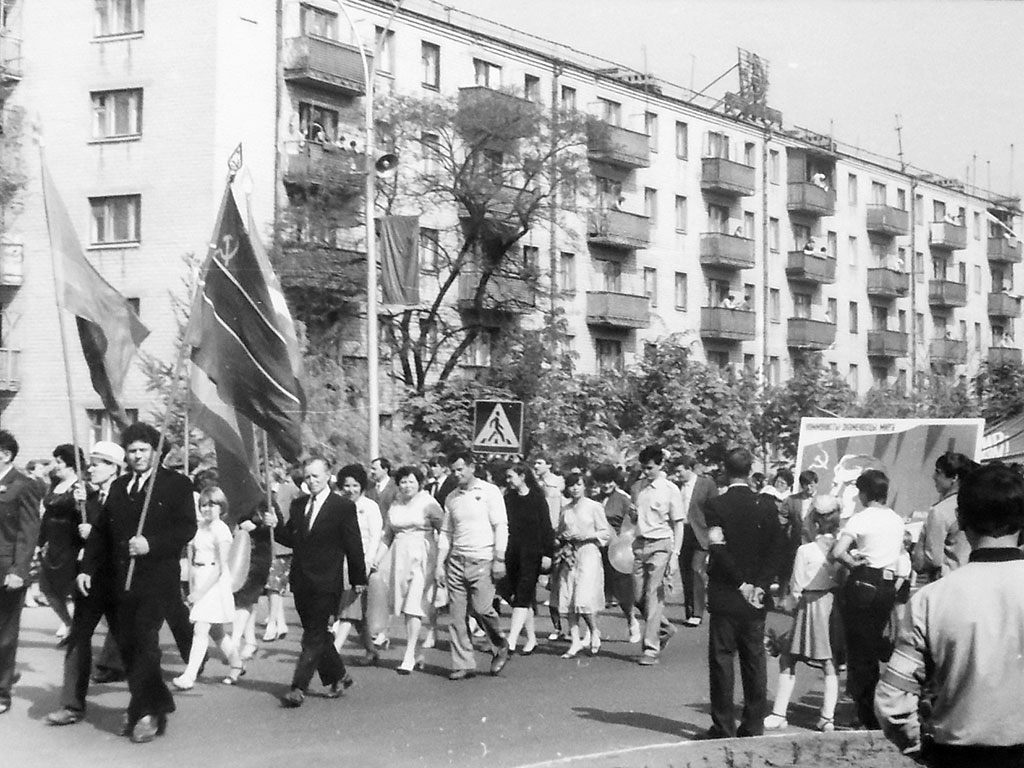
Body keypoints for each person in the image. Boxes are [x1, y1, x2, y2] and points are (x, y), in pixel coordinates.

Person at [876, 463, 1024, 767]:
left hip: (956, 754)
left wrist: (919, 747)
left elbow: (892, 701)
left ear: (959, 518)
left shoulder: (930, 599)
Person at [79, 423, 197, 743]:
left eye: (144, 450)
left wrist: (152, 544)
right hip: (121, 580)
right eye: (132, 451)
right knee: (128, 647)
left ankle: (146, 714)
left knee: (145, 643)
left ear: (157, 452)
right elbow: (102, 533)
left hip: (158, 580)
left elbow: (187, 528)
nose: (138, 456)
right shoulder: (119, 487)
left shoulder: (177, 484)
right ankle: (151, 704)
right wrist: (87, 568)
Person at [703, 447, 784, 739]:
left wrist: (740, 583)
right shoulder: (766, 505)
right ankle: (752, 724)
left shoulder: (716, 505)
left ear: (725, 470)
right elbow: (777, 549)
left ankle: (722, 725)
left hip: (727, 592)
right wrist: (760, 584)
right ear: (751, 471)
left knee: (722, 659)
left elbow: (718, 548)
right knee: (754, 659)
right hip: (756, 596)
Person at [275, 458, 366, 708]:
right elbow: (292, 538)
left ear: (328, 476)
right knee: (316, 633)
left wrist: (359, 578)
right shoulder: (299, 505)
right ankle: (339, 676)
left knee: (313, 635)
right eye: (307, 477)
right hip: (302, 579)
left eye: (316, 476)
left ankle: (298, 687)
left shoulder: (342, 507)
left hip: (327, 581)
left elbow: (353, 544)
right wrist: (274, 527)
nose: (311, 481)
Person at [45, 441, 126, 726]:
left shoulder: (127, 492)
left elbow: (127, 536)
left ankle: (148, 702)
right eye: (90, 462)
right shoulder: (87, 496)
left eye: (97, 463)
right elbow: (78, 535)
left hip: (119, 580)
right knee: (79, 639)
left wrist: (96, 531)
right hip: (89, 579)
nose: (90, 468)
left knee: (132, 645)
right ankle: (71, 705)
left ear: (114, 468)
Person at [828, 468, 904, 729]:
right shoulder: (896, 519)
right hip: (887, 586)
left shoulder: (860, 519)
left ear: (864, 493)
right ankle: (874, 708)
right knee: (873, 647)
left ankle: (866, 713)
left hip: (863, 582)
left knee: (859, 653)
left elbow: (838, 551)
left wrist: (851, 561)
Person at [763, 503, 842, 733]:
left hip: (809, 604)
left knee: (788, 657)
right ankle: (827, 718)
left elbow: (796, 587)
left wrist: (790, 604)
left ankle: (779, 713)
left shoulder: (805, 550)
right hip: (831, 604)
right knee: (829, 661)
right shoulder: (841, 549)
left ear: (816, 524)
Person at [436, 451, 510, 681]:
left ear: (471, 467)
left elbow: (501, 525)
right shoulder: (452, 498)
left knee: (481, 609)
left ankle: (500, 644)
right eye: (453, 470)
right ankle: (463, 663)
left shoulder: (489, 492)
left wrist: (499, 558)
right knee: (457, 617)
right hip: (457, 560)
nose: (457, 474)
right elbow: (446, 532)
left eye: (460, 469)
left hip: (483, 559)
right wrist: (440, 564)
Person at [369, 465, 442, 675]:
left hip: (423, 556)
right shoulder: (395, 504)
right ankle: (417, 651)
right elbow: (387, 535)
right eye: (403, 482)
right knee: (400, 603)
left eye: (411, 481)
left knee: (414, 606)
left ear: (419, 483)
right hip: (399, 557)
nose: (407, 485)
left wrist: (441, 560)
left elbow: (444, 529)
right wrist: (377, 558)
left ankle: (409, 654)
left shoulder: (428, 503)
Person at [173, 487, 243, 689]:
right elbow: (192, 554)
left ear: (221, 507)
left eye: (212, 505)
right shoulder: (200, 527)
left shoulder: (221, 529)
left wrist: (200, 592)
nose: (207, 509)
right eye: (203, 505)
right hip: (199, 575)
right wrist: (193, 586)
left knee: (201, 628)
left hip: (214, 581)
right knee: (216, 632)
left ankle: (189, 675)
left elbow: (222, 565)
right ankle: (236, 663)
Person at [0, 430, 43, 715]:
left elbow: (28, 532)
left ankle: (2, 691)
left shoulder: (23, 484)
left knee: (4, 633)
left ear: (5, 454)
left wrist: (19, 570)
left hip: (6, 570)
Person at [630, 445, 685, 666]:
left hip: (661, 545)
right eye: (643, 468)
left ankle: (650, 649)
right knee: (637, 597)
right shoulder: (637, 488)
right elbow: (635, 520)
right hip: (639, 545)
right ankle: (665, 628)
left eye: (650, 468)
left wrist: (675, 554)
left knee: (653, 596)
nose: (646, 472)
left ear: (661, 465)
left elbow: (678, 524)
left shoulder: (670, 489)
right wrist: (633, 516)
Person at [556, 472, 611, 658]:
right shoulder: (566, 509)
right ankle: (574, 641)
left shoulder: (594, 507)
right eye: (571, 485)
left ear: (584, 486)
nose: (575, 488)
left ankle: (594, 630)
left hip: (589, 552)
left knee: (584, 598)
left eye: (578, 484)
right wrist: (563, 538)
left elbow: (605, 532)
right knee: (569, 597)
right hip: (571, 554)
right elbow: (560, 531)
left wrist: (588, 536)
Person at [332, 464, 384, 665]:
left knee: (349, 607)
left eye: (355, 485)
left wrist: (367, 563)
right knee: (356, 610)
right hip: (339, 563)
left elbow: (374, 537)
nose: (351, 490)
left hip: (361, 564)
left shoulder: (370, 507)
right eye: (347, 485)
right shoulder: (337, 505)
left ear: (362, 486)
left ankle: (334, 651)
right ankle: (371, 650)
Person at [501, 462, 553, 655]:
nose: (508, 481)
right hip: (512, 551)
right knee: (519, 595)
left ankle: (512, 640)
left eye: (511, 476)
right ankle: (531, 638)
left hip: (532, 552)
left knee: (523, 592)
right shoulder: (508, 498)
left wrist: (548, 553)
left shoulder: (538, 499)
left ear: (522, 476)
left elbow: (546, 527)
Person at [37, 444, 85, 645]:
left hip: (71, 543)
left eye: (59, 462)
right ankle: (68, 622)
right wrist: (40, 542)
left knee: (71, 589)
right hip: (53, 543)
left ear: (71, 465)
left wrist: (78, 502)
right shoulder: (55, 484)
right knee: (47, 588)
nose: (55, 466)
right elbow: (47, 515)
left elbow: (84, 516)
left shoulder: (81, 487)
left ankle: (78, 632)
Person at [591, 463, 640, 642]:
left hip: (617, 550)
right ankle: (592, 630)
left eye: (609, 481)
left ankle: (631, 620)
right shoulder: (593, 498)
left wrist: (634, 516)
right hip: (597, 548)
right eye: (602, 482)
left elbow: (633, 522)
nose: (606, 485)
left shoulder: (623, 499)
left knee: (622, 589)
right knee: (594, 588)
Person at [912, 452, 977, 580]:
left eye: (938, 472)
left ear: (954, 477)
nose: (934, 477)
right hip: (970, 577)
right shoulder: (973, 504)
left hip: (946, 580)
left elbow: (934, 559)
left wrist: (917, 553)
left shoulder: (940, 510)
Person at [230, 496, 275, 663]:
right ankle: (250, 641)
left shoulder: (266, 500)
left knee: (245, 598)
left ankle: (234, 642)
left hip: (259, 556)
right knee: (246, 599)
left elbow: (276, 528)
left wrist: (260, 525)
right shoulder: (238, 498)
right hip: (239, 554)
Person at [675, 457, 718, 628]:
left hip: (701, 532)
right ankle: (689, 610)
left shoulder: (706, 484)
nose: (677, 475)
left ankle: (698, 612)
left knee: (696, 569)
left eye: (680, 471)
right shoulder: (676, 487)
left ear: (690, 469)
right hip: (682, 533)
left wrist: (714, 533)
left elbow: (715, 508)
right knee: (685, 573)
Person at [262, 468, 299, 643]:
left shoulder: (290, 490)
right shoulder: (262, 492)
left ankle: (273, 622)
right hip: (268, 544)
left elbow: (298, 512)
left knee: (274, 584)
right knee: (273, 584)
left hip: (285, 545)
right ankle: (280, 622)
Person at [532, 456, 565, 641]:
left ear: (549, 464)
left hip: (553, 535)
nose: (536, 465)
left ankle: (560, 627)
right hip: (536, 534)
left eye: (540, 462)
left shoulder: (557, 484)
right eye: (535, 463)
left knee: (556, 583)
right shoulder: (534, 484)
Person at [778, 470, 817, 591]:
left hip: (813, 543)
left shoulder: (821, 501)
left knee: (809, 572)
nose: (809, 487)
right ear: (802, 485)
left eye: (812, 484)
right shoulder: (791, 500)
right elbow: (782, 519)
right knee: (788, 570)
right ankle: (782, 596)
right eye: (806, 485)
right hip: (794, 542)